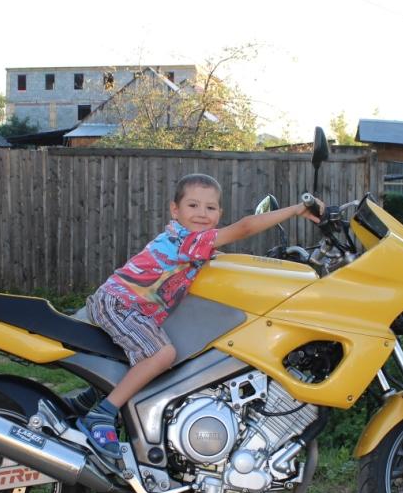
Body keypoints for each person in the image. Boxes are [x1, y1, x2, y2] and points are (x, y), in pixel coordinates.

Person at [77, 172, 321, 458]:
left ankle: (85, 401)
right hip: (120, 304)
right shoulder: (187, 240)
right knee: (162, 355)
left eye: (210, 207)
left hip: (129, 306)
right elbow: (244, 228)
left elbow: (224, 261)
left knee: (148, 352)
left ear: (219, 214)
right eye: (193, 205)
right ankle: (102, 414)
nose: (202, 213)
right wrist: (296, 209)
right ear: (175, 210)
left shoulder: (192, 244)